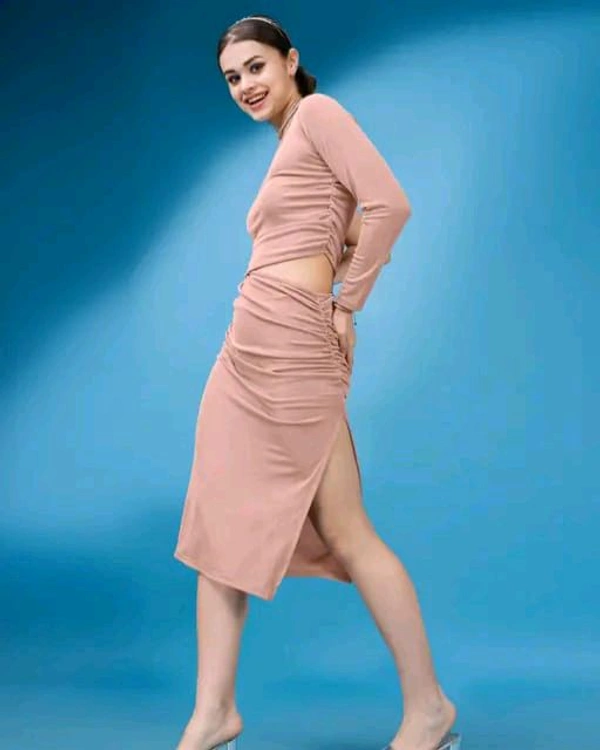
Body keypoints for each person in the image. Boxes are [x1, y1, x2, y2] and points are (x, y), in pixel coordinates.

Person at [173, 14, 461, 750]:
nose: (245, 85)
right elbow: (349, 228)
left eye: (255, 67)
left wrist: (345, 303)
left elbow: (391, 205)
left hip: (291, 346)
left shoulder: (320, 114)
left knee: (348, 532)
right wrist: (339, 261)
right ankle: (213, 714)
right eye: (231, 78)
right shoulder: (290, 144)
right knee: (217, 527)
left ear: (290, 60)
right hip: (246, 348)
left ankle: (429, 710)